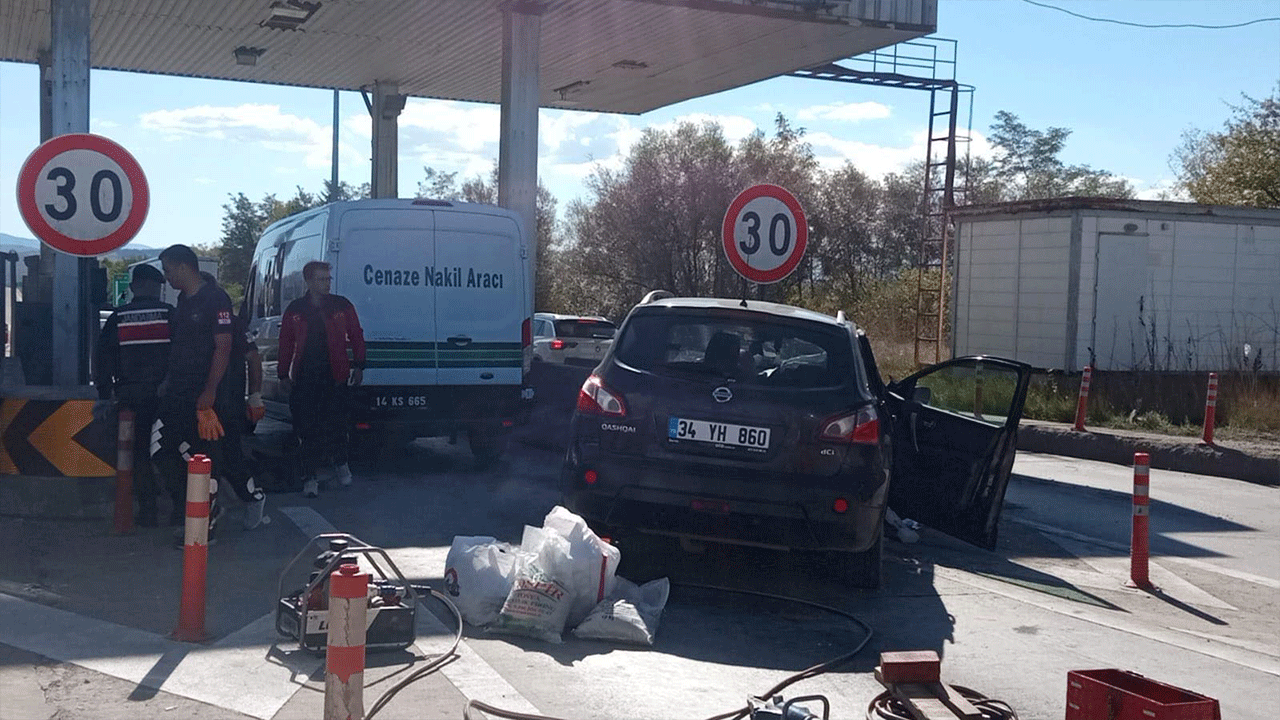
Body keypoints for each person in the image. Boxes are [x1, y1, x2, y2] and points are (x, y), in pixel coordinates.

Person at [151, 245, 262, 540]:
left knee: (214, 460)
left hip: (211, 400)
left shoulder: (216, 300)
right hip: (178, 393)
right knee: (162, 452)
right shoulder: (182, 303)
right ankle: (193, 507)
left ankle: (207, 525)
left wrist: (212, 391)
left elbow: (224, 348)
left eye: (169, 270)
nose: (167, 277)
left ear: (184, 268)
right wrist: (168, 381)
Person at [277, 261, 366, 498]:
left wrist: (359, 365)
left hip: (335, 375)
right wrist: (282, 373)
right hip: (305, 377)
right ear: (308, 281)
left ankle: (341, 463)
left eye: (328, 279)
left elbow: (356, 334)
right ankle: (310, 477)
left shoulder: (341, 305)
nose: (326, 283)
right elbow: (285, 342)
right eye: (321, 279)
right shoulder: (296, 309)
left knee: (337, 424)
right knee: (307, 429)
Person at [93, 264, 172, 527]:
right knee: (170, 450)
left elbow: (102, 359)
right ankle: (180, 507)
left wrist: (105, 394)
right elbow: (184, 355)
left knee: (138, 454)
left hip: (130, 396)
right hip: (165, 396)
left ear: (133, 287)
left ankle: (147, 510)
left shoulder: (119, 317)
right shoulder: (170, 314)